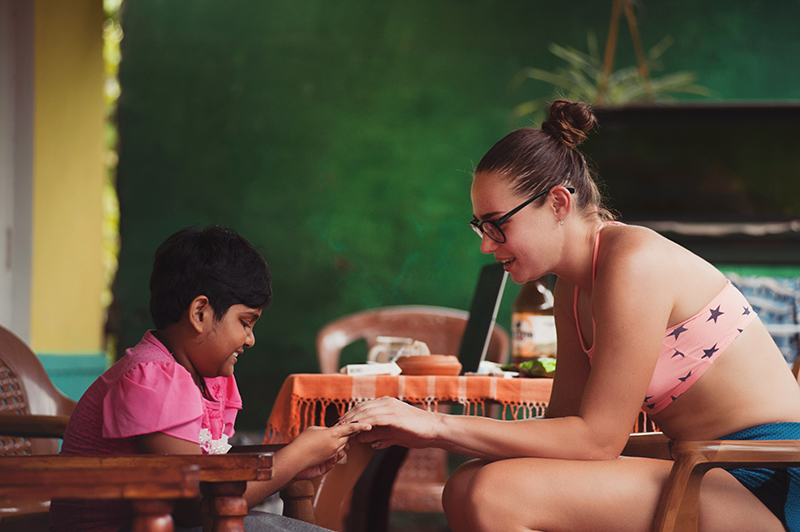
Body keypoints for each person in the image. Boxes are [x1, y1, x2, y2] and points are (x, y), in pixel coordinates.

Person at [338, 100, 800, 532]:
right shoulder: (574, 288)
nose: (485, 243)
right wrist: (431, 430)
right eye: (480, 227)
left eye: (499, 224)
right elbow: (565, 426)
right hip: (707, 466)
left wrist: (437, 426)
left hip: (768, 480)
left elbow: (596, 441)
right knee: (465, 485)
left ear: (558, 203)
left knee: (493, 493)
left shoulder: (633, 262)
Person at [50, 226, 368, 532]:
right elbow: (195, 505)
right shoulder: (154, 378)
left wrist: (294, 458)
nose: (250, 339)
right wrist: (294, 458)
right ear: (200, 313)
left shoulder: (204, 377)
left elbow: (214, 468)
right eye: (246, 322)